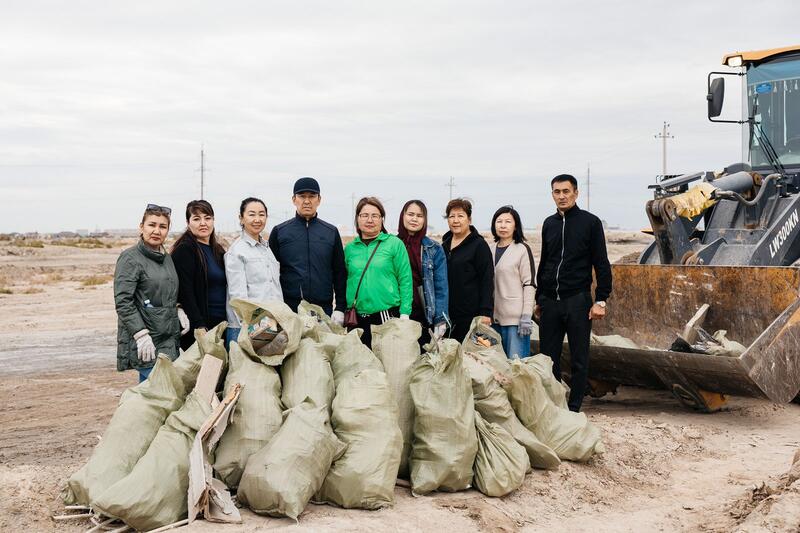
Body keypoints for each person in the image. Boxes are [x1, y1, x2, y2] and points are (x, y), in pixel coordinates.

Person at [535, 174, 612, 412]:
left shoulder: (590, 222)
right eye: (557, 192)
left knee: (579, 358)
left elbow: (601, 263)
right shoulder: (549, 223)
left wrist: (601, 299)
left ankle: (575, 406)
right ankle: (555, 405)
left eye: (566, 191)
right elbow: (545, 262)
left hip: (577, 300)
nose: (561, 196)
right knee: (548, 359)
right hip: (550, 301)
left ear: (576, 193)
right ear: (552, 195)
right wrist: (540, 298)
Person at [114, 204, 189, 382]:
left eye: (162, 227)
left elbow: (167, 291)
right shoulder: (130, 258)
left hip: (168, 338)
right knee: (161, 392)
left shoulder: (166, 258)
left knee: (153, 399)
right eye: (152, 225)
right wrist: (140, 334)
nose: (157, 231)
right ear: (142, 227)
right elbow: (123, 301)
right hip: (146, 340)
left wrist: (178, 308)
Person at [268, 177, 347, 324]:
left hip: (323, 310)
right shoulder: (280, 232)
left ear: (319, 200)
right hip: (290, 309)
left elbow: (339, 272)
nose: (307, 201)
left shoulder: (330, 232)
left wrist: (340, 307)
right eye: (302, 196)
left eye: (312, 196)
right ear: (294, 199)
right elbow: (269, 272)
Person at [344, 196, 413, 347]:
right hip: (356, 317)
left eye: (375, 216)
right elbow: (344, 280)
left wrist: (405, 312)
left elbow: (405, 279)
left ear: (382, 219)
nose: (370, 220)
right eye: (364, 215)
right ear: (357, 219)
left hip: (385, 315)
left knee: (387, 363)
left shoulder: (394, 244)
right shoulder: (350, 249)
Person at [170, 200, 228, 351]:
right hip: (202, 328)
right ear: (188, 223)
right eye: (196, 219)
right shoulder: (185, 250)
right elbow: (185, 292)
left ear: (213, 220)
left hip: (223, 325)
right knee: (207, 374)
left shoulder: (218, 250)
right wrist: (199, 326)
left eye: (207, 218)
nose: (203, 223)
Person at [225, 197, 283, 346]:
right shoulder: (237, 251)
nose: (257, 219)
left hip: (270, 325)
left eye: (261, 214)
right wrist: (255, 329)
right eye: (251, 214)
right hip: (247, 330)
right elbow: (238, 298)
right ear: (241, 218)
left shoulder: (266, 249)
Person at [397, 199, 451, 347]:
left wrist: (440, 319)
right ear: (403, 216)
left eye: (419, 216)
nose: (414, 219)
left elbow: (441, 287)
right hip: (394, 313)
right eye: (410, 214)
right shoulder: (392, 244)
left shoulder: (433, 249)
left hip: (423, 313)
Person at [441, 198, 494, 342]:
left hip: (471, 315)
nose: (455, 220)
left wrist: (485, 312)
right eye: (452, 216)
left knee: (469, 359)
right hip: (447, 314)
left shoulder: (479, 245)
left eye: (460, 216)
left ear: (469, 219)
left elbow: (487, 279)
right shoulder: (444, 245)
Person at [489, 206, 535, 359]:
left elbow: (529, 283)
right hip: (492, 319)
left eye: (508, 221)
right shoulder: (490, 249)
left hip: (516, 321)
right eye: (499, 221)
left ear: (516, 226)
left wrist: (527, 315)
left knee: (517, 368)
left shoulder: (521, 249)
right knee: (496, 367)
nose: (503, 225)